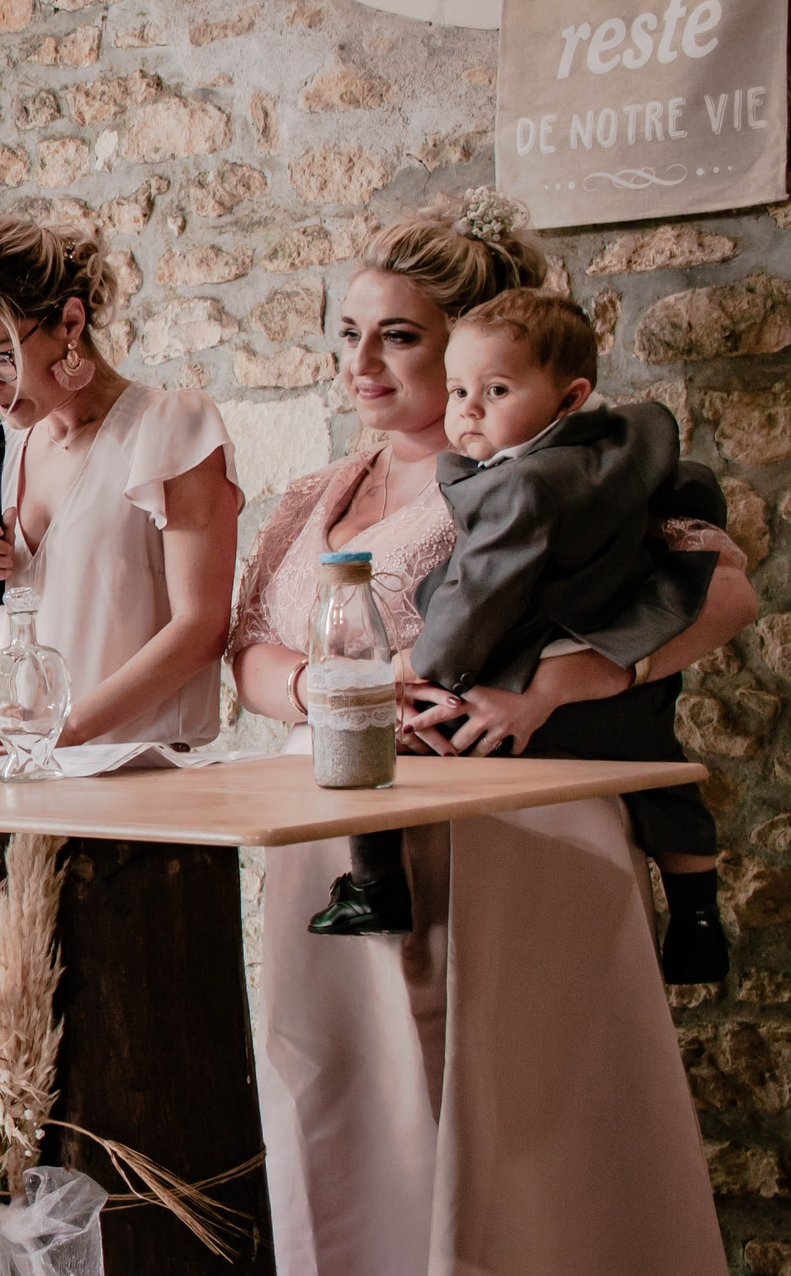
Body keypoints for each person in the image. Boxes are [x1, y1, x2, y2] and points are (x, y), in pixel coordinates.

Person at [228, 202, 767, 1276]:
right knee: (346, 1125)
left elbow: (722, 590)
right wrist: (319, 688)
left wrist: (559, 684)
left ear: (472, 346)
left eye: (398, 338)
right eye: (348, 334)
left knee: (522, 1149)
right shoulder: (318, 492)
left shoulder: (569, 465)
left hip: (509, 836)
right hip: (333, 837)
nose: (362, 363)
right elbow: (244, 648)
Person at [313, 289, 730, 976]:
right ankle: (698, 921)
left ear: (569, 397)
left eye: (496, 390)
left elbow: (474, 602)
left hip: (527, 675)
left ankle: (374, 885)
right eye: (458, 391)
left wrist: (414, 664)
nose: (468, 410)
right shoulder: (618, 454)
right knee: (663, 772)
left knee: (391, 736)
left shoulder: (520, 487)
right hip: (618, 672)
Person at [0, 216, 242, 760]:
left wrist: (65, 728)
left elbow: (202, 628)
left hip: (145, 780)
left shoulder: (170, 429)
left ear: (70, 322)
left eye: (1, 357)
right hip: (30, 770)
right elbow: (0, 646)